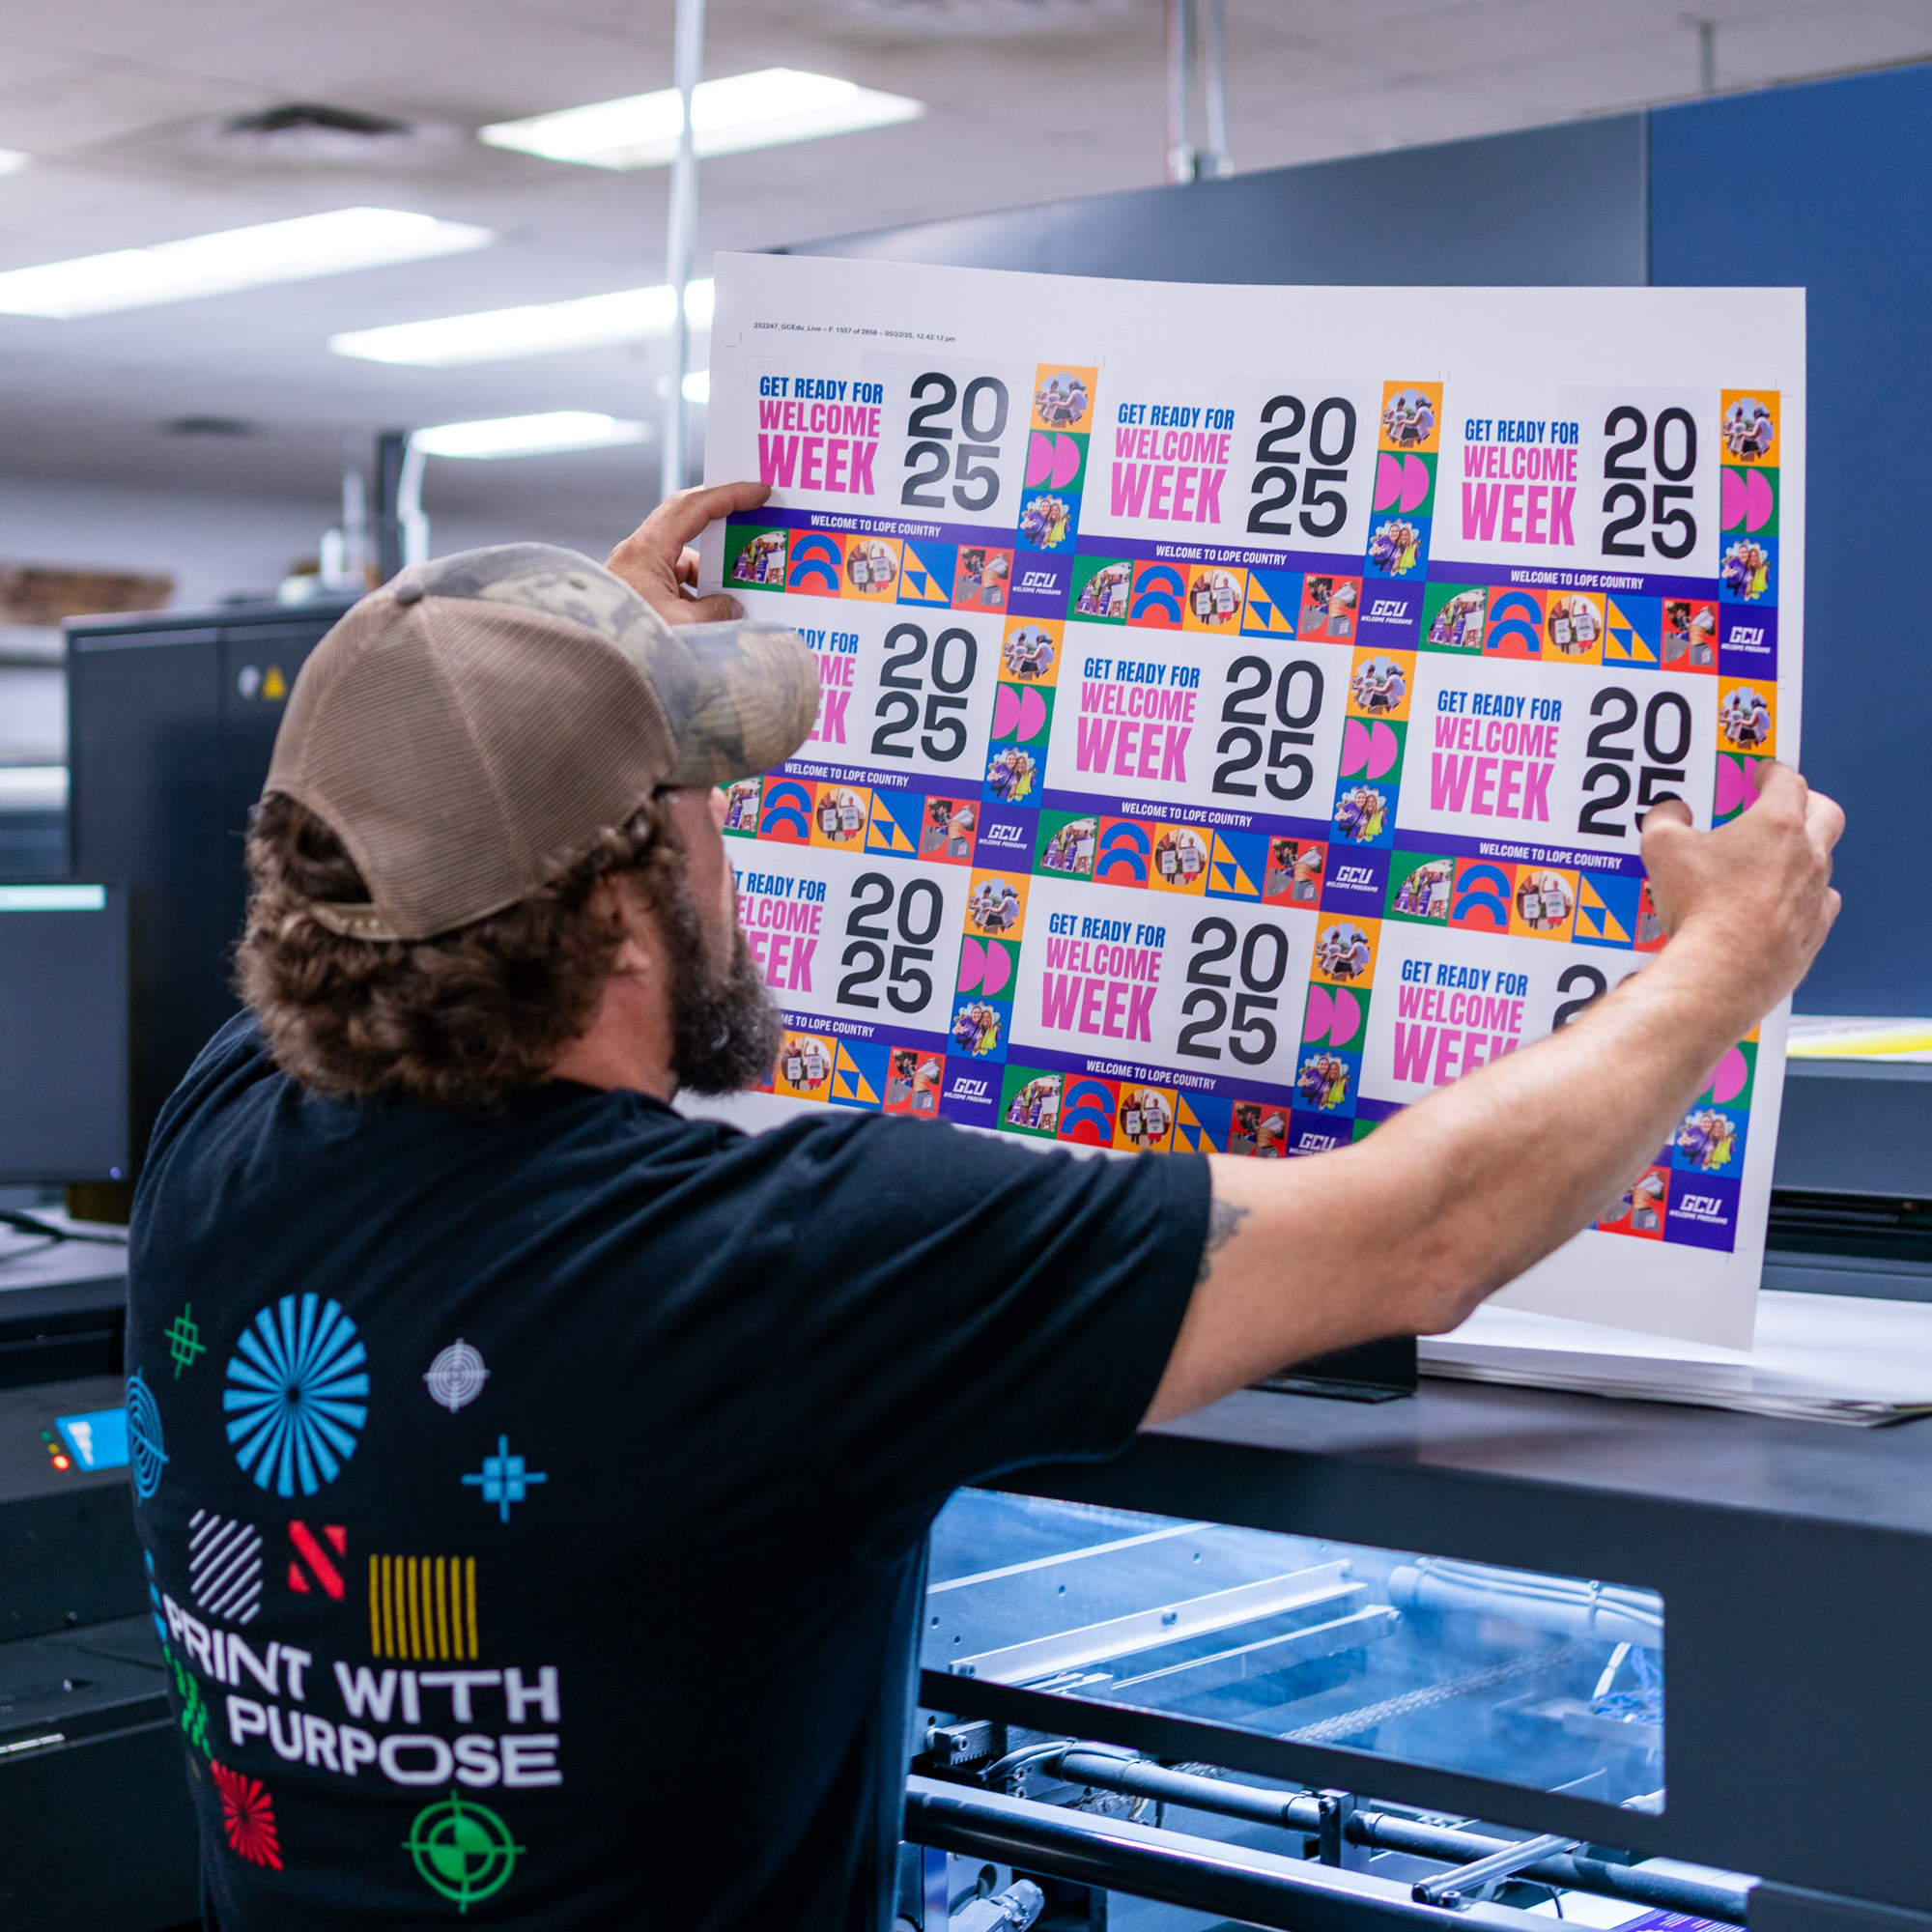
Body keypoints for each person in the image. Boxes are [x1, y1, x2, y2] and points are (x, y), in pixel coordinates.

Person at [126, 478, 1843, 1932]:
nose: (737, 850)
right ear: (621, 907)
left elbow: (423, 832)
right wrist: (1720, 963)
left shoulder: (217, 1140)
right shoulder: (770, 1270)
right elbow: (1421, 1236)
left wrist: (588, 660)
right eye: (705, 807)